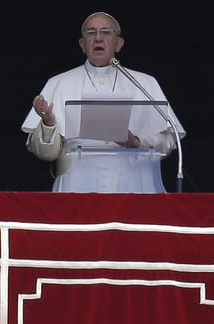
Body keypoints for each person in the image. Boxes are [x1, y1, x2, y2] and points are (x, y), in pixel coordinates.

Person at [21, 11, 185, 193]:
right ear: (83, 45)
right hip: (75, 187)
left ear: (119, 43)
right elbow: (46, 154)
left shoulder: (145, 83)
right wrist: (48, 123)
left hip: (135, 187)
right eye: (91, 33)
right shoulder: (58, 83)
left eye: (106, 32)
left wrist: (136, 142)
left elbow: (168, 142)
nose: (98, 38)